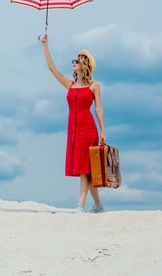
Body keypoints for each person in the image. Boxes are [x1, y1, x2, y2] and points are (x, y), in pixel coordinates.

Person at [40, 34, 107, 213]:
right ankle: (99, 205)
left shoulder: (94, 85)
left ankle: (80, 205)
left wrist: (103, 131)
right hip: (73, 131)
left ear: (84, 65)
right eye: (73, 61)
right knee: (88, 170)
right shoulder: (69, 85)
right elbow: (52, 69)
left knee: (85, 169)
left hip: (88, 129)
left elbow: (98, 109)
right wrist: (45, 46)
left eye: (76, 61)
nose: (73, 63)